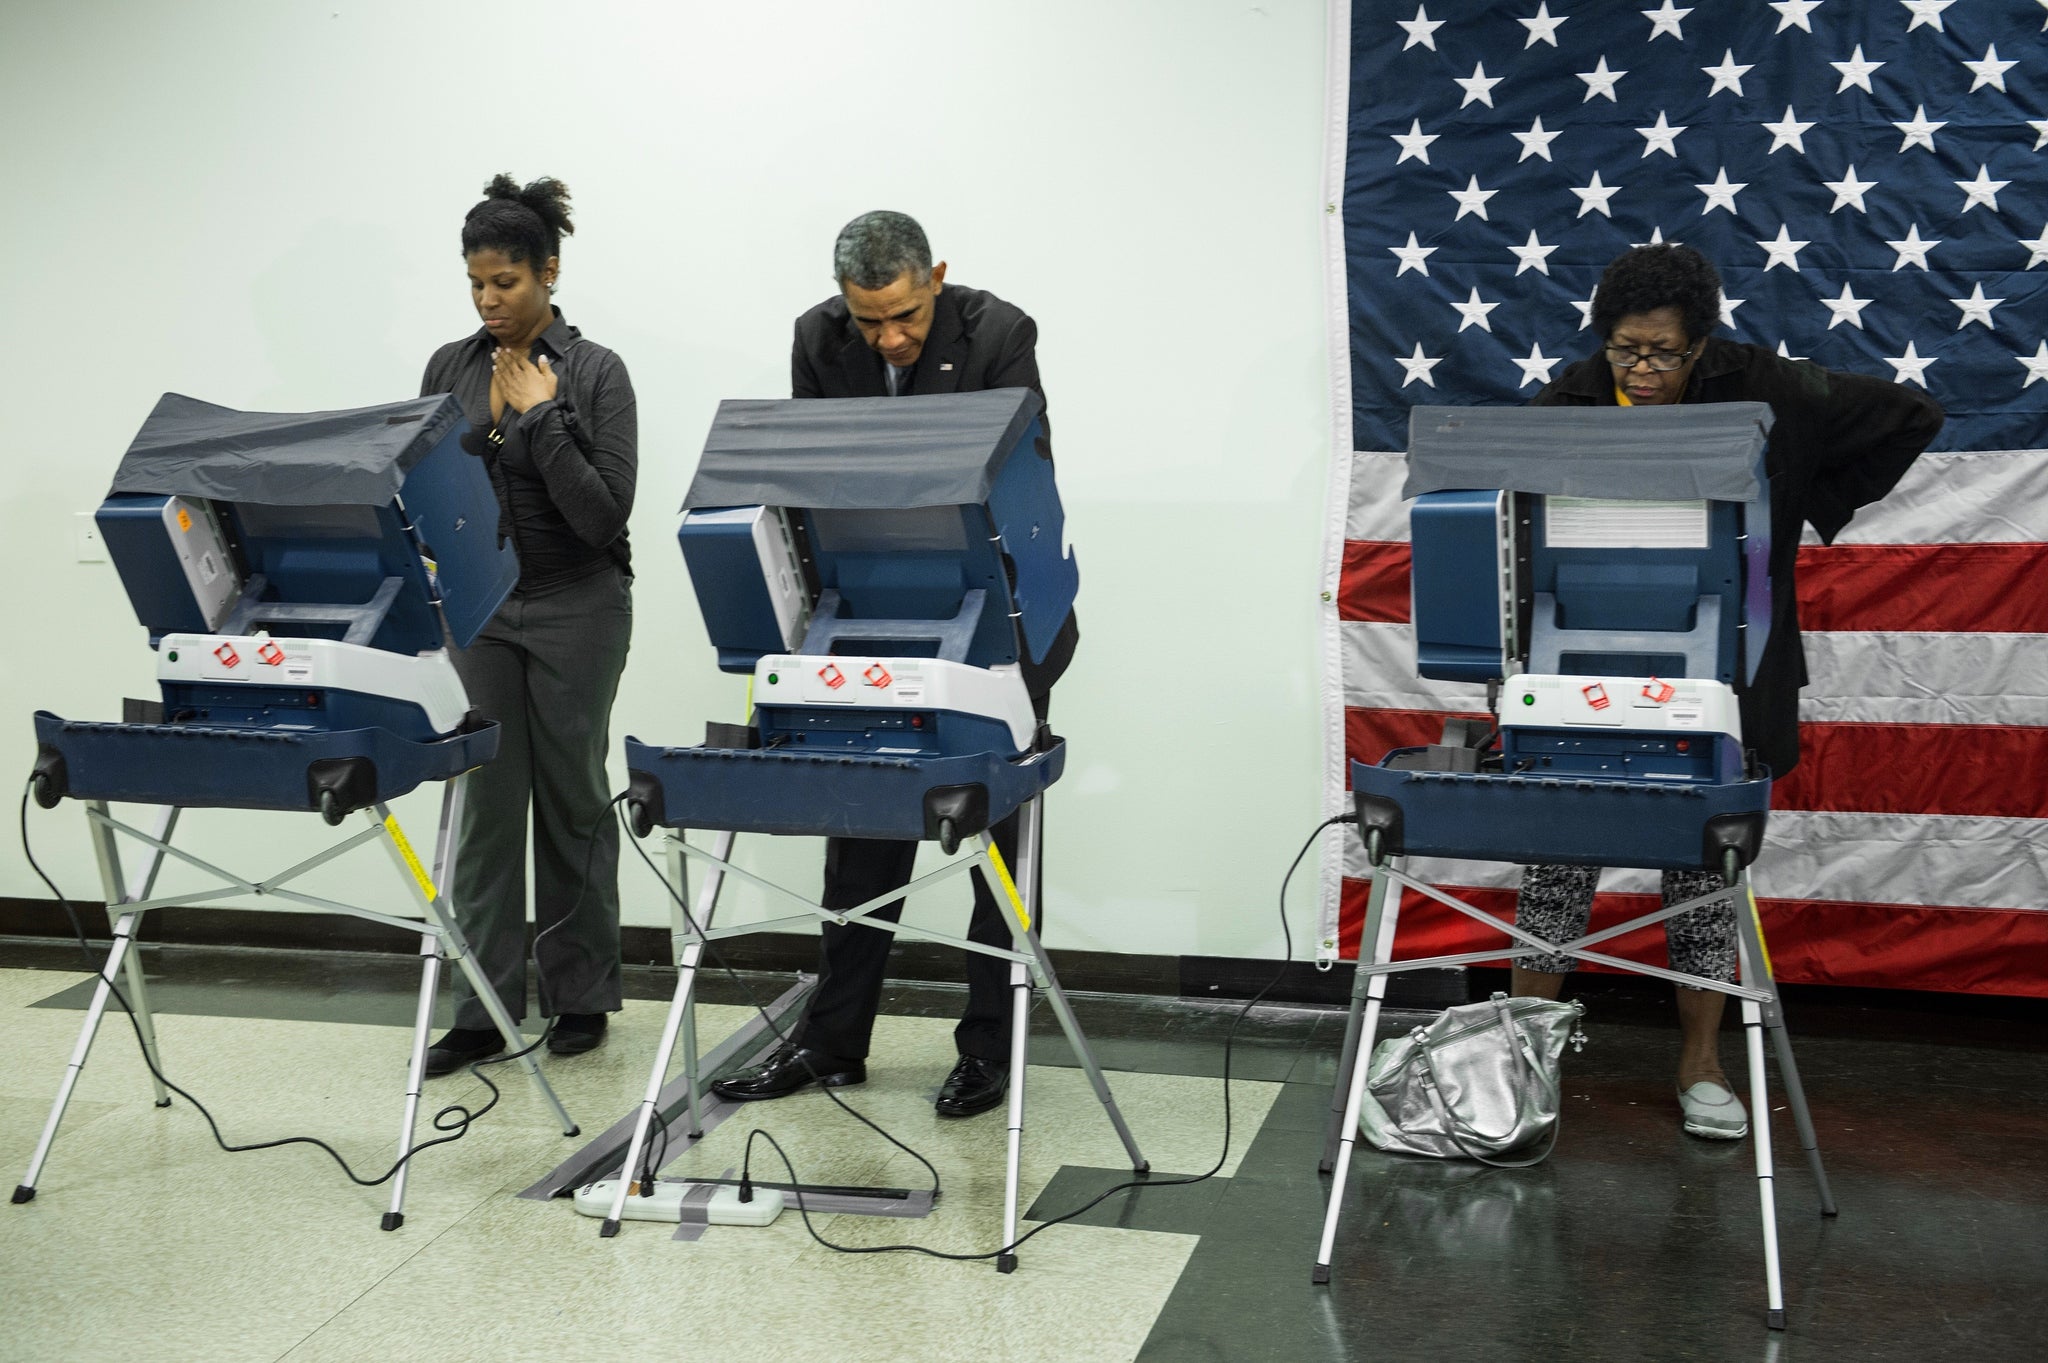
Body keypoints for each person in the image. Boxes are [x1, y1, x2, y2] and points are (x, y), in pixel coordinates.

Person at [1516, 243, 1943, 1137]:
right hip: (1589, 665)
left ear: (1702, 344)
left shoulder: (1772, 390)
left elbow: (1913, 414)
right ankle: (1524, 1058)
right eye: (1625, 349)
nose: (1641, 370)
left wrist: (1803, 506)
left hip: (1728, 667)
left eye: (1663, 352)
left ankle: (1702, 1061)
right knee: (1557, 859)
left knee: (1700, 868)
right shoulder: (1569, 401)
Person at [712, 210, 1077, 1118]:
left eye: (907, 314)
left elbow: (1014, 480)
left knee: (997, 837)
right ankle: (833, 1041)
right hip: (872, 611)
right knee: (859, 829)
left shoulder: (999, 332)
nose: (891, 337)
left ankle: (990, 1048)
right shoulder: (817, 339)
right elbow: (811, 482)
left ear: (938, 277)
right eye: (869, 320)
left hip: (1000, 613)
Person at [418, 175, 638, 1075]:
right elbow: (430, 486)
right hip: (481, 604)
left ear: (548, 272)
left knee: (575, 797)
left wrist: (541, 419)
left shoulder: (596, 372)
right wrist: (494, 433)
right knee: (486, 803)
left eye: (505, 282)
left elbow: (604, 516)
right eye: (475, 283)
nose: (488, 301)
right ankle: (481, 1006)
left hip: (580, 601)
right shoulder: (449, 367)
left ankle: (580, 995)